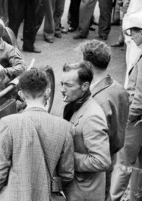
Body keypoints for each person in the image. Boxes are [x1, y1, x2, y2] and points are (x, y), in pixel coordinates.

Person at [0, 68, 74, 201]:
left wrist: (0, 193)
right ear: (48, 92)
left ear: (21, 94)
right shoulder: (65, 128)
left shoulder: (8, 123)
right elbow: (67, 174)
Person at [79, 39, 129, 201]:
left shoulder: (96, 100)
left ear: (88, 64)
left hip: (95, 162)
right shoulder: (119, 88)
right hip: (111, 156)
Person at [61, 61, 111, 200]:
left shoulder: (92, 116)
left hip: (84, 193)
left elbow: (101, 161)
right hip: (75, 188)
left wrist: (67, 158)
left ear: (85, 86)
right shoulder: (75, 105)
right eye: (62, 84)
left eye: (69, 85)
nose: (62, 89)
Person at [110, 10, 142, 201]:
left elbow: (139, 97)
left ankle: (114, 197)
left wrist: (126, 118)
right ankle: (136, 195)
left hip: (135, 119)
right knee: (138, 164)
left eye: (133, 33)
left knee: (123, 164)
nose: (130, 37)